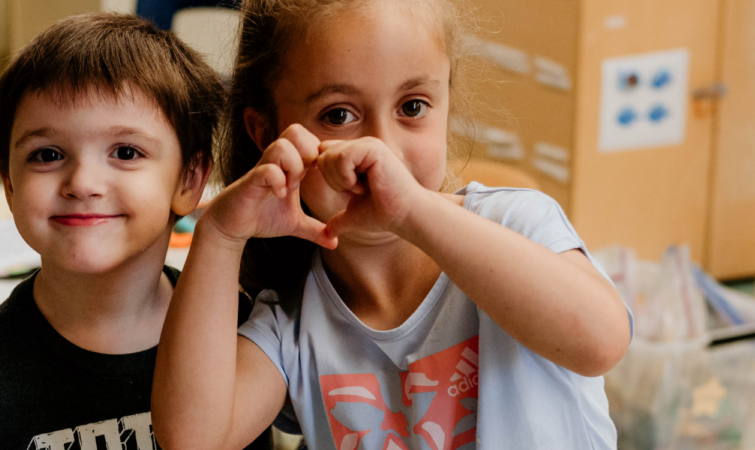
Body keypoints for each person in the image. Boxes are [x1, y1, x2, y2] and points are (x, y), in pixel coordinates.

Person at [153, 0, 635, 448]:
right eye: (338, 115)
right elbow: (195, 439)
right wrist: (219, 234)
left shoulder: (514, 223)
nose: (381, 148)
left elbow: (601, 343)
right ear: (266, 133)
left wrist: (412, 211)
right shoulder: (291, 324)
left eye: (412, 107)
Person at [0, 13, 270, 449]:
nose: (83, 183)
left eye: (125, 151)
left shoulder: (239, 334)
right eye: (47, 155)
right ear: (9, 183)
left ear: (190, 179)